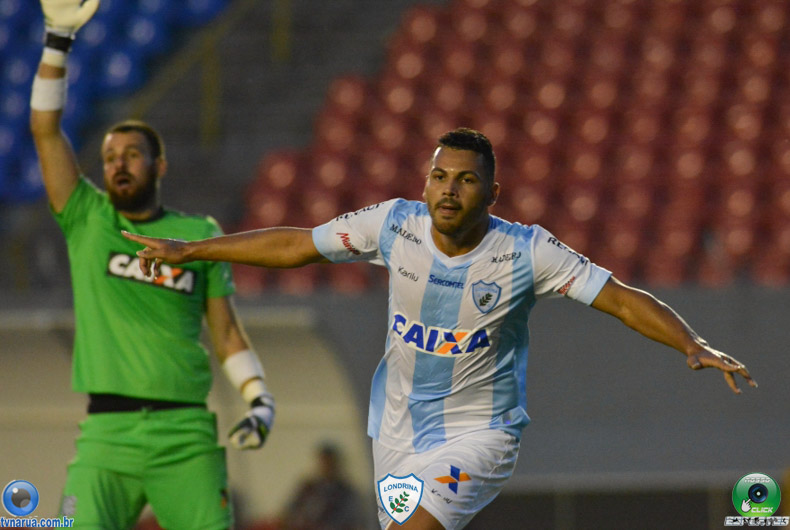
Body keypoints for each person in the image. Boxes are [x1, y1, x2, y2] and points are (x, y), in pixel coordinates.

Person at [123, 128, 757, 530]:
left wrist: (690, 343)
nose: (449, 191)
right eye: (439, 176)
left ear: (493, 192)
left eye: (466, 179)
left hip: (481, 433)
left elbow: (619, 299)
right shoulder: (393, 225)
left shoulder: (527, 251)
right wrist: (193, 249)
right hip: (396, 430)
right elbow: (298, 244)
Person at [29, 1, 275, 528]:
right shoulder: (86, 216)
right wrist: (56, 42)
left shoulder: (199, 233)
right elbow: (46, 131)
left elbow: (226, 332)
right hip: (105, 435)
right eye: (109, 157)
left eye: (132, 155)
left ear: (160, 165)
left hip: (185, 434)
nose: (118, 164)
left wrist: (259, 399)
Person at [278, 442, 365, 530]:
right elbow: (288, 513)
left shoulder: (346, 492)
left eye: (329, 462)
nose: (326, 466)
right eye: (324, 462)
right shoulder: (307, 488)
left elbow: (353, 521)